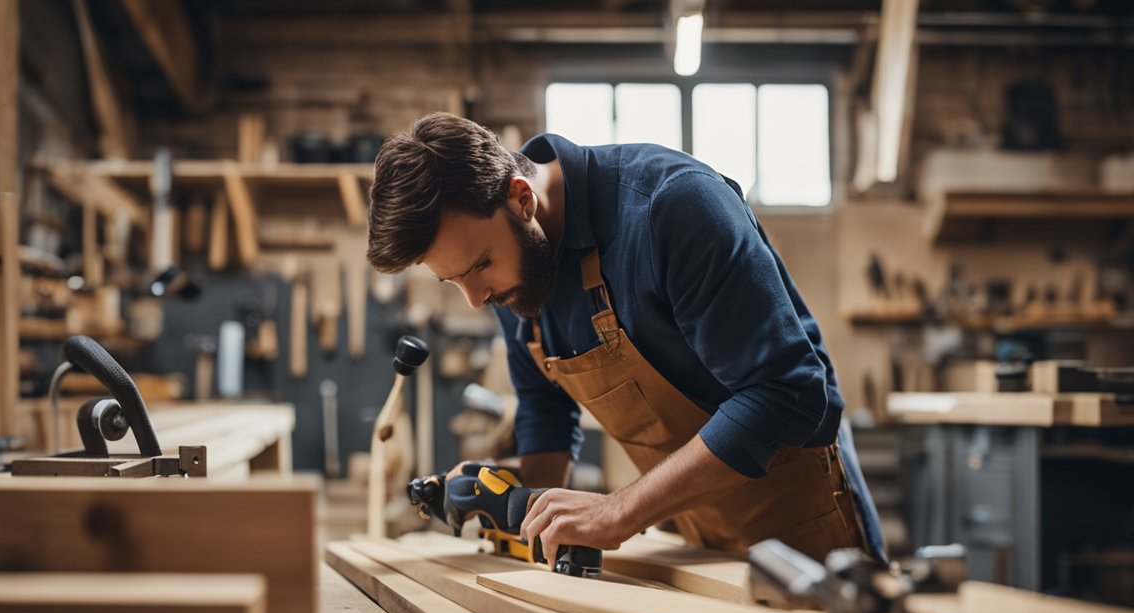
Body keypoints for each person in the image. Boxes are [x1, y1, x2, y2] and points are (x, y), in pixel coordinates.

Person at [367, 112, 885, 567]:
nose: (475, 300)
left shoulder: (672, 207)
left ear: (521, 198)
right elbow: (545, 414)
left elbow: (785, 393)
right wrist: (512, 503)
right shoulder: (512, 281)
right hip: (691, 536)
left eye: (479, 266)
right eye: (452, 281)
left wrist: (617, 511)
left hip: (803, 532)